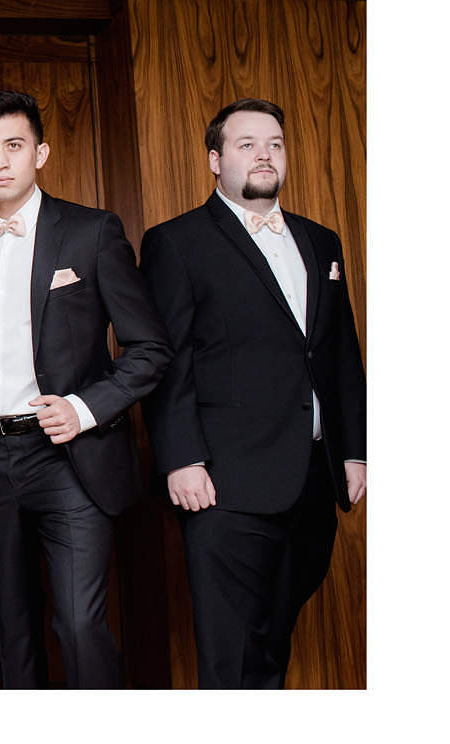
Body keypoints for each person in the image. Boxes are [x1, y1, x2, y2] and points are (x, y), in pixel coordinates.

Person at [0, 89, 170, 688]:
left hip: (68, 458)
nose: (0, 161)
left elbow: (150, 349)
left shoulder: (92, 232)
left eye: (13, 146)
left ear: (41, 152)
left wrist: (85, 409)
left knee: (80, 624)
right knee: (12, 629)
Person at [140, 97, 365, 689]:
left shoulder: (322, 242)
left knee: (272, 639)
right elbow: (167, 360)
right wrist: (182, 459)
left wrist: (355, 449)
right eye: (246, 145)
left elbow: (340, 352)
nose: (264, 155)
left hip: (313, 479)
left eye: (274, 144)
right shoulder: (177, 241)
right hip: (225, 483)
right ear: (215, 160)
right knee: (230, 651)